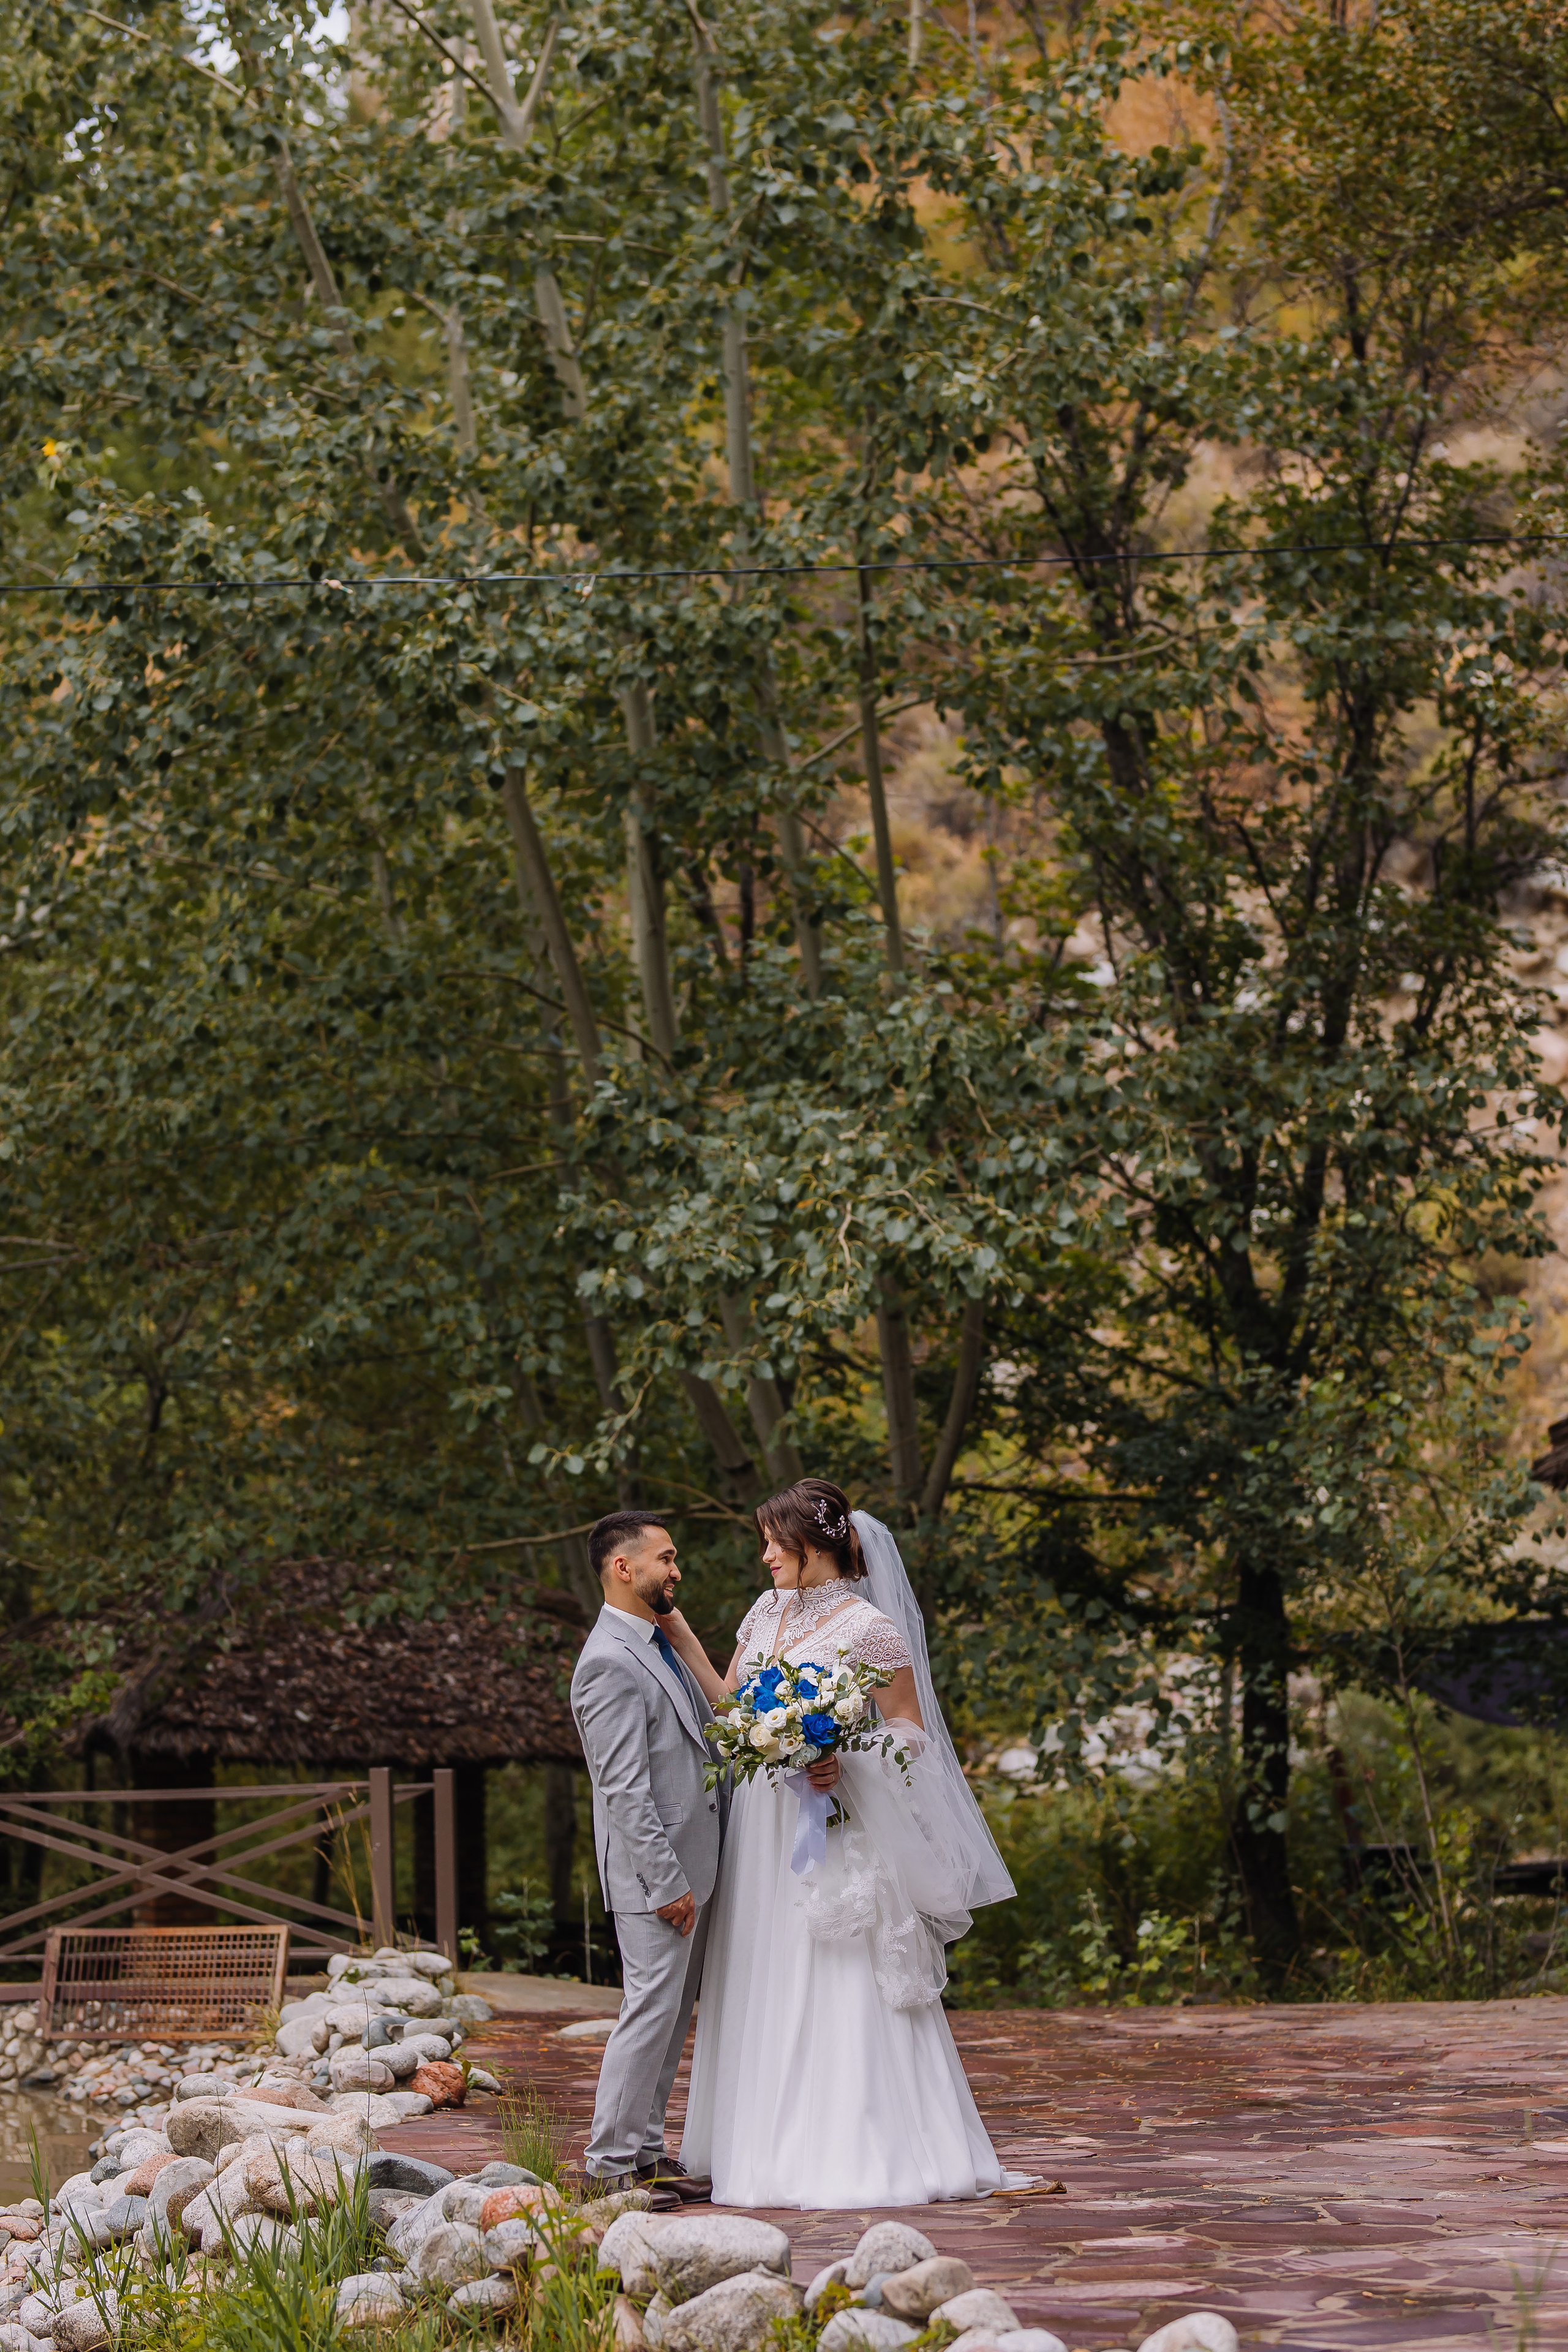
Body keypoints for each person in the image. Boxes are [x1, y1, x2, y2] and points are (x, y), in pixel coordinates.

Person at [663, 1476, 1025, 2209]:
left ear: (815, 1542)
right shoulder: (764, 1612)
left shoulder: (869, 1629)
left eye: (774, 1541)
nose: (764, 1555)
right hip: (766, 1822)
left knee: (838, 1973)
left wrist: (839, 1754)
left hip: (839, 1815)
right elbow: (732, 1702)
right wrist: (676, 1632)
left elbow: (910, 1732)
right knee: (765, 1968)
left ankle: (856, 2147)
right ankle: (759, 2146)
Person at [569, 1510, 719, 2199]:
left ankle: (648, 2153)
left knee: (668, 2015)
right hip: (655, 1877)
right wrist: (665, 1881)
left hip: (691, 1865)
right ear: (624, 1568)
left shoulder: (655, 1644)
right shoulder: (606, 1662)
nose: (676, 1570)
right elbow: (623, 1789)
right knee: (648, 2010)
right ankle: (607, 2167)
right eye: (665, 1558)